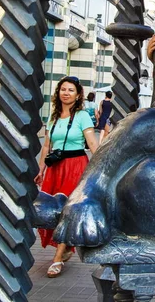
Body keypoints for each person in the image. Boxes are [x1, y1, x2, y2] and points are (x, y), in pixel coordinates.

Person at [35, 76, 98, 278]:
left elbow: (93, 145)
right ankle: (66, 246)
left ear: (78, 94)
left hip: (75, 165)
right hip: (55, 167)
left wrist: (99, 168)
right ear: (58, 93)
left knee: (68, 209)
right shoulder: (52, 117)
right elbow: (47, 146)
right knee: (51, 209)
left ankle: (58, 257)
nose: (66, 93)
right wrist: (41, 170)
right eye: (63, 89)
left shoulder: (82, 116)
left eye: (71, 90)